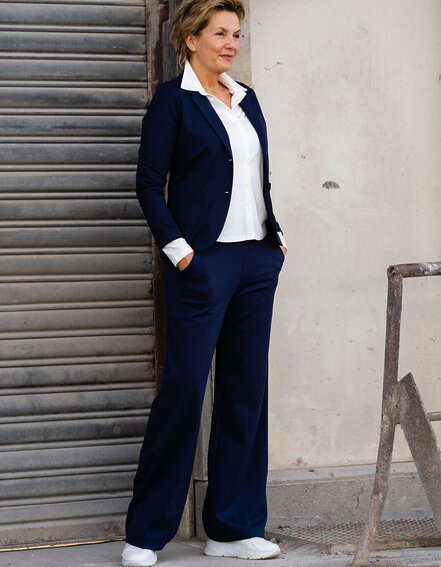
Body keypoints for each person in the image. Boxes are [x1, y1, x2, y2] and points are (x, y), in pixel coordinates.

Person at [122, 1, 287, 565]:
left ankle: (232, 528)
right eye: (220, 33)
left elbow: (257, 178)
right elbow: (148, 183)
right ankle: (147, 533)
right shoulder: (173, 101)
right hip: (204, 263)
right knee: (185, 388)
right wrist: (181, 252)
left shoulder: (247, 98)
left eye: (236, 33)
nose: (231, 43)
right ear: (190, 39)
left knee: (246, 392)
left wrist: (276, 238)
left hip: (256, 261)